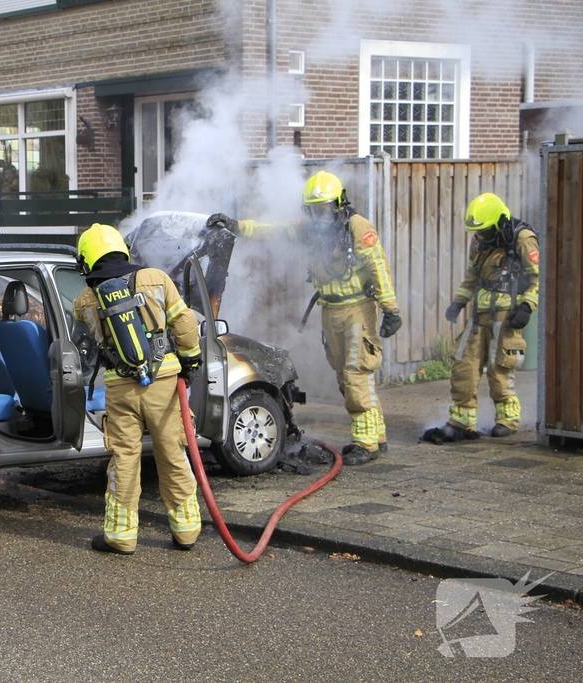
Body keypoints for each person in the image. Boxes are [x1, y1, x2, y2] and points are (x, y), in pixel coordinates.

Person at [207, 170, 402, 465]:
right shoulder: (311, 229)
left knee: (354, 372)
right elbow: (273, 229)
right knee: (345, 375)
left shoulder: (356, 227)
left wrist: (391, 309)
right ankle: (376, 436)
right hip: (331, 309)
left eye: (323, 208)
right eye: (312, 209)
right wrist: (238, 226)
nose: (318, 215)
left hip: (357, 310)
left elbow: (378, 266)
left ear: (337, 203)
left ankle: (367, 443)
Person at [73, 223, 204, 555]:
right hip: (164, 383)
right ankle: (186, 531)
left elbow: (85, 348)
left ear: (87, 260)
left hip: (120, 388)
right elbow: (185, 323)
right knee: (172, 453)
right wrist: (189, 364)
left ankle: (120, 536)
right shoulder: (156, 278)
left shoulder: (84, 300)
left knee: (124, 458)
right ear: (123, 250)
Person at [423, 193, 539, 444]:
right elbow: (472, 275)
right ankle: (462, 420)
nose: (481, 238)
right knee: (463, 365)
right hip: (479, 316)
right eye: (478, 233)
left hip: (507, 316)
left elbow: (538, 278)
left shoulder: (523, 239)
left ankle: (507, 419)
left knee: (500, 369)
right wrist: (458, 302)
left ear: (499, 224)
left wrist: (527, 306)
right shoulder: (479, 240)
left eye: (486, 232)